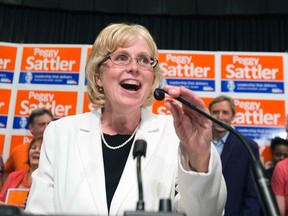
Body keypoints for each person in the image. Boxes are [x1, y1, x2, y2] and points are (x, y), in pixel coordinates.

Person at [24, 23, 227, 216]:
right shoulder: (61, 133)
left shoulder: (175, 135)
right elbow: (39, 210)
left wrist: (199, 157)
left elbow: (206, 212)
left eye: (144, 60)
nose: (134, 67)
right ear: (98, 75)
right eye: (121, 57)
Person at [208, 95, 261, 216]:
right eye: (215, 112)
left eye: (225, 112)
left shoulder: (247, 146)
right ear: (209, 114)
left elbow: (253, 194)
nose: (220, 117)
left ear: (233, 116)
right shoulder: (197, 143)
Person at [4, 108, 53, 174]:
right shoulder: (18, 151)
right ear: (31, 127)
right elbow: (5, 174)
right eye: (42, 124)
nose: (47, 128)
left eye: (49, 124)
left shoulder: (59, 151)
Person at [0, 135, 43, 209]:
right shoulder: (13, 176)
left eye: (41, 148)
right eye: (33, 147)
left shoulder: (50, 181)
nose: (36, 150)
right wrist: (12, 207)